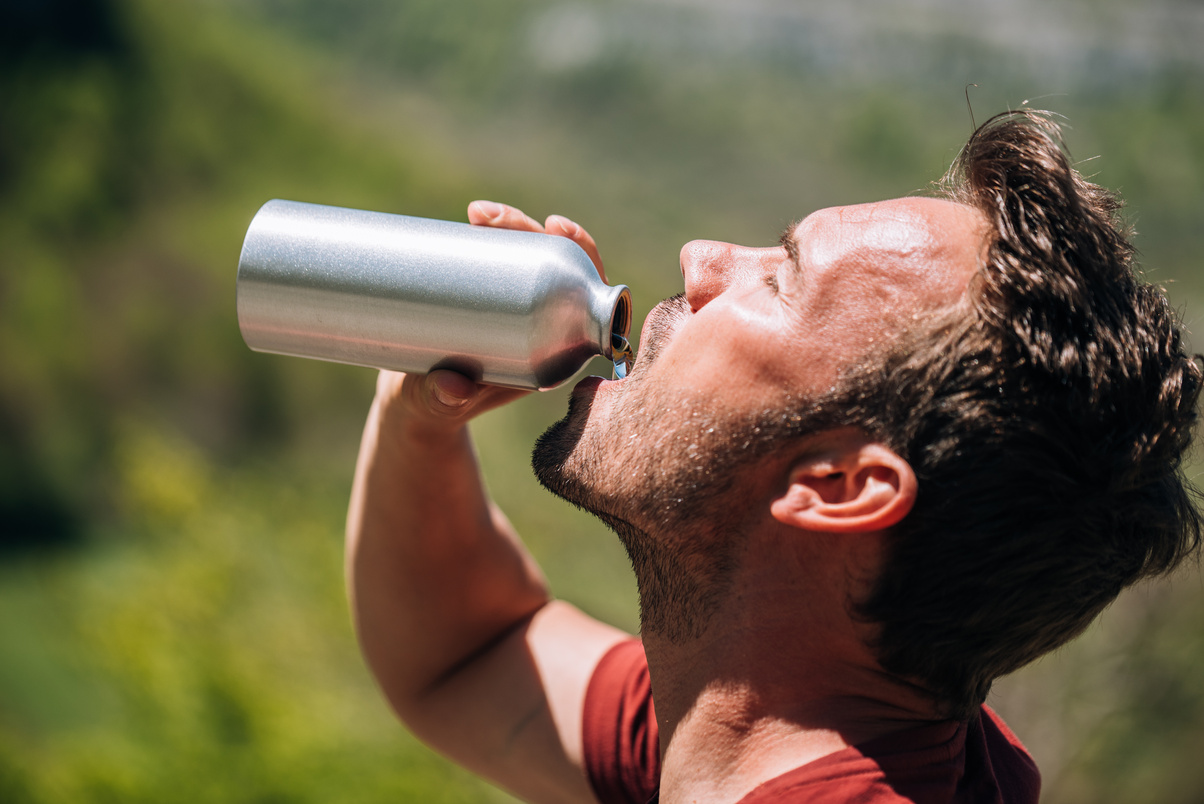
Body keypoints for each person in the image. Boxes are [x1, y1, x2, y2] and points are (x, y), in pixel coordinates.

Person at [344, 111, 1202, 803]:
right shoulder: (750, 720)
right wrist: (419, 411)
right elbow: (468, 658)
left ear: (838, 486)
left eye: (781, 280)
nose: (703, 260)